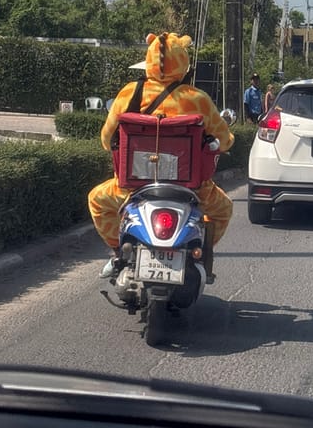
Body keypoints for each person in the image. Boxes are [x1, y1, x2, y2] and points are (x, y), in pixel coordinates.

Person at [88, 31, 234, 279]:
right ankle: (201, 255)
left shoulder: (129, 92)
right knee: (223, 210)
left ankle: (118, 253)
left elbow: (106, 140)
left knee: (96, 200)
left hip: (132, 187)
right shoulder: (197, 99)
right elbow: (225, 140)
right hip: (192, 189)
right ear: (184, 62)